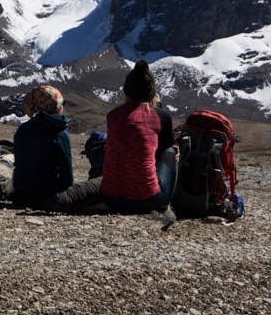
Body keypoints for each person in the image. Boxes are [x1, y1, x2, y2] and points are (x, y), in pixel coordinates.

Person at [100, 60, 178, 213]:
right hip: (146, 200)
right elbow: (166, 144)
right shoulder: (160, 115)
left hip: (109, 198)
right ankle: (165, 204)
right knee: (170, 152)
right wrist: (159, 105)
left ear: (127, 92)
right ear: (152, 93)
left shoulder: (113, 115)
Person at [12, 85, 103, 213]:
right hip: (51, 199)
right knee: (102, 183)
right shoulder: (59, 133)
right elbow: (68, 180)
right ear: (57, 106)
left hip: (20, 195)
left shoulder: (23, 129)